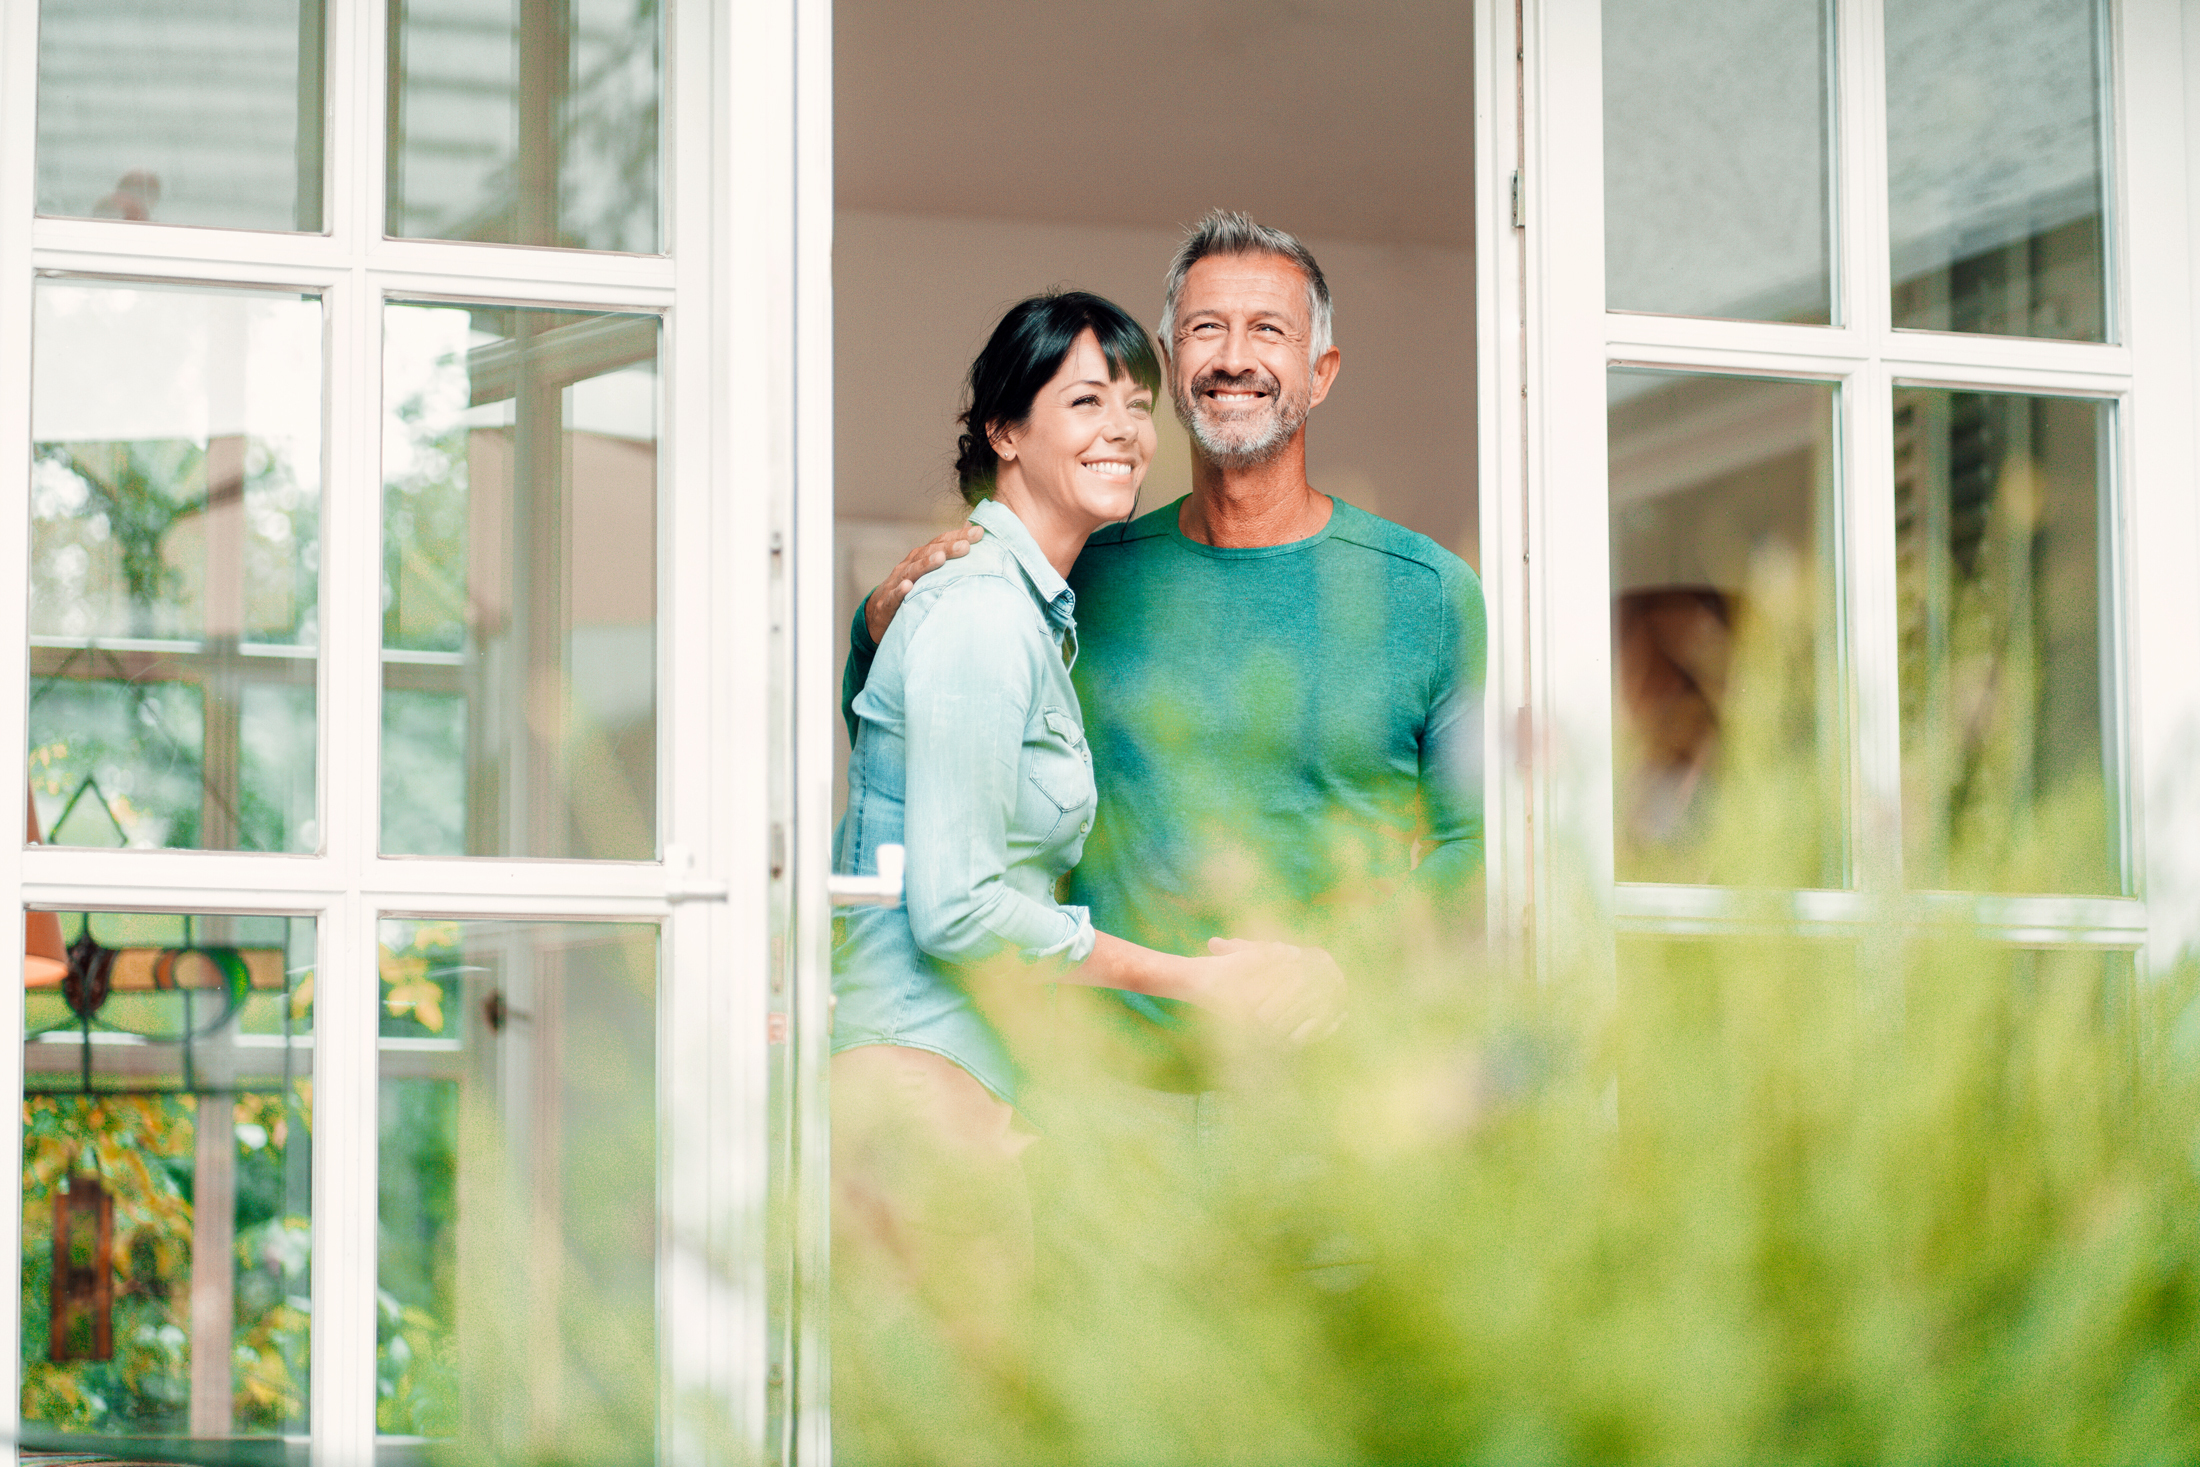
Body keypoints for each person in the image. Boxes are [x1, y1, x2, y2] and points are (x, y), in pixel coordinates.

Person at [829, 290, 1344, 1388]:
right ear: (1007, 431)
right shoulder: (978, 613)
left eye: (1136, 401)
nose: (1124, 427)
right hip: (916, 1088)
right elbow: (958, 907)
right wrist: (1203, 984)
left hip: (962, 1081)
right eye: (1085, 399)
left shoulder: (1029, 608)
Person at [848, 211, 1487, 1094]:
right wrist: (876, 622)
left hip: (1335, 1102)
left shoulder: (1429, 593)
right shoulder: (1075, 579)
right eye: (1204, 329)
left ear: (1322, 370)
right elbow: (913, 743)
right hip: (1102, 1102)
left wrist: (1347, 968)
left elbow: (1475, 844)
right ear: (1171, 359)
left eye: (1269, 329)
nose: (1234, 356)